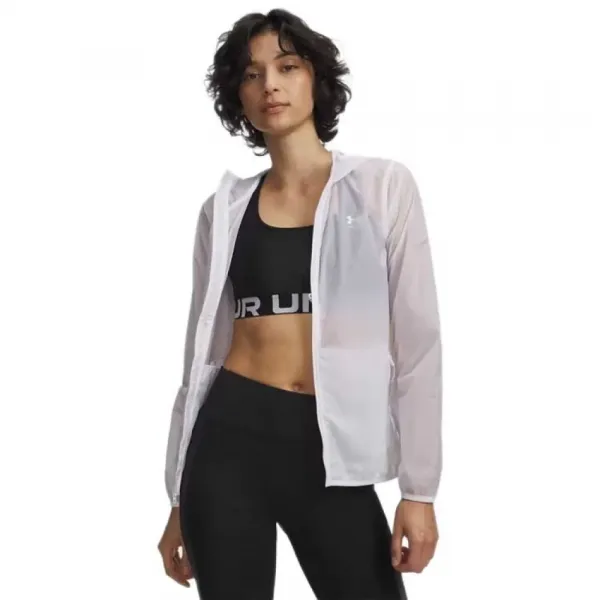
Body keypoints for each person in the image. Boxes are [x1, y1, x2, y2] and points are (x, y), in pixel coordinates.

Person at [157, 8, 442, 600]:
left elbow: (417, 346)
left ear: (316, 78)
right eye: (252, 74)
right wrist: (179, 498)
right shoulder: (223, 211)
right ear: (238, 96)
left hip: (330, 453)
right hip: (228, 442)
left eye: (287, 67)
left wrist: (419, 490)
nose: (271, 85)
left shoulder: (382, 188)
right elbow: (199, 360)